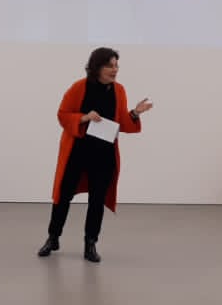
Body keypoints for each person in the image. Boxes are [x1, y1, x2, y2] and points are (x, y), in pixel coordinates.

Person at [37, 47, 153, 264]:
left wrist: (135, 113)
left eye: (116, 65)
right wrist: (84, 117)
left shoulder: (119, 90)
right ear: (97, 67)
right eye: (109, 65)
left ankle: (90, 243)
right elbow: (63, 115)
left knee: (97, 200)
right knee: (63, 196)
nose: (115, 69)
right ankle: (53, 238)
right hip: (77, 152)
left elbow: (122, 122)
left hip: (104, 155)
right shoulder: (79, 87)